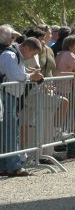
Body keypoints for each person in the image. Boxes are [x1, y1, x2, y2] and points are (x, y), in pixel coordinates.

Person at [0, 33, 45, 177]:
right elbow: (16, 77)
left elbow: (17, 74)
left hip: (10, 96)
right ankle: (14, 166)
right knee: (11, 133)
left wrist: (28, 73)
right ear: (25, 47)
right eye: (32, 53)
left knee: (9, 132)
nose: (32, 57)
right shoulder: (10, 55)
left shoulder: (15, 55)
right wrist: (32, 76)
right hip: (6, 96)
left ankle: (6, 166)